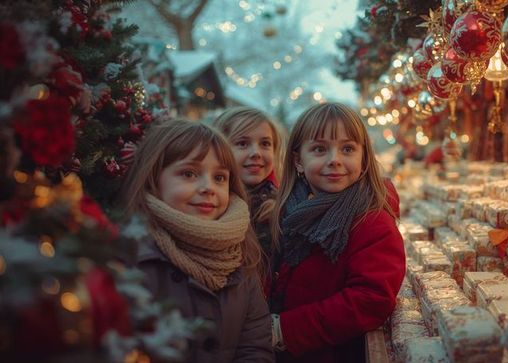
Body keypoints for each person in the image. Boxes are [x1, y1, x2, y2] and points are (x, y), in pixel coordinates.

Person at [119, 119, 274, 363]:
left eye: (220, 178)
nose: (208, 188)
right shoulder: (130, 256)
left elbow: (255, 346)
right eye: (189, 173)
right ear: (153, 179)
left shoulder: (240, 256)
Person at [269, 103, 406, 363]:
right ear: (298, 160)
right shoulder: (290, 211)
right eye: (320, 149)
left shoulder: (372, 221)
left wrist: (285, 329)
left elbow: (371, 299)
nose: (335, 159)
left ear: (363, 158)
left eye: (347, 149)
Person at [213, 107, 283, 259]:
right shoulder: (207, 201)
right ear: (219, 149)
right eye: (243, 143)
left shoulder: (281, 209)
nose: (256, 153)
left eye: (265, 144)